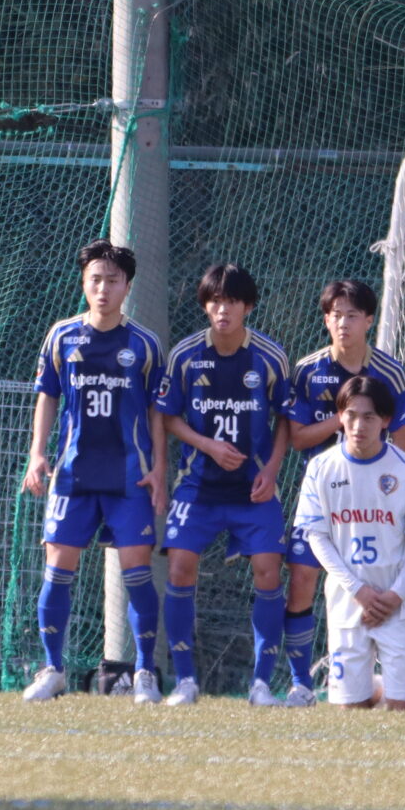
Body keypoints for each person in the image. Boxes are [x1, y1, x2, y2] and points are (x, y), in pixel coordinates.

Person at [18, 240, 165, 703]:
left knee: (137, 574)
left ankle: (145, 673)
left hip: (129, 477)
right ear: (84, 284)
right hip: (73, 475)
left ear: (127, 287)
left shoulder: (144, 344)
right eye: (95, 280)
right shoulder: (62, 336)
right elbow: (48, 395)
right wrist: (37, 454)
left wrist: (159, 469)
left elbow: (158, 412)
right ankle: (53, 669)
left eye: (112, 281)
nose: (103, 289)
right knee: (56, 571)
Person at [153, 263, 294, 706]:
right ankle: (185, 681)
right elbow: (167, 416)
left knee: (268, 570)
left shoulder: (269, 357)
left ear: (247, 306)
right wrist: (207, 445)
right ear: (205, 306)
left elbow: (286, 418)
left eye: (232, 301)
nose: (223, 310)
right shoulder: (185, 355)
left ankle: (261, 685)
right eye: (215, 301)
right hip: (197, 487)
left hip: (254, 490)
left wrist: (272, 469)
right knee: (179, 567)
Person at [281, 279, 405, 694]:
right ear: (326, 320)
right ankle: (301, 683)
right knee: (302, 579)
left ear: (369, 320)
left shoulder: (391, 371)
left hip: (376, 500)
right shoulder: (307, 370)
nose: (343, 323)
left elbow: (402, 442)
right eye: (336, 315)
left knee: (384, 575)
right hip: (328, 497)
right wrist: (343, 419)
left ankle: (388, 678)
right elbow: (298, 438)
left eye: (352, 315)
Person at [292, 373, 405, 710]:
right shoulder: (321, 467)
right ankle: (373, 688)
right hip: (348, 602)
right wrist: (357, 590)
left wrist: (396, 594)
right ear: (340, 416)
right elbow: (317, 537)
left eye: (369, 417)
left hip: (398, 604)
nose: (358, 425)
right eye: (351, 415)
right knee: (349, 710)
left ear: (385, 420)